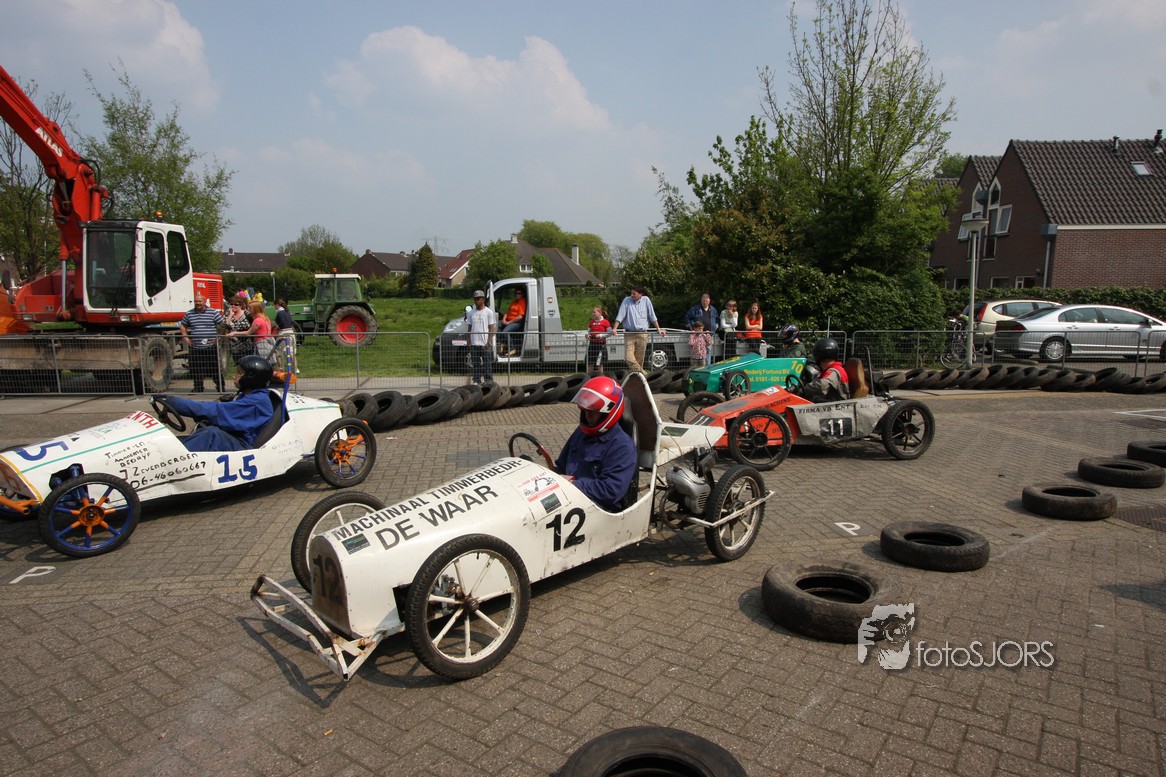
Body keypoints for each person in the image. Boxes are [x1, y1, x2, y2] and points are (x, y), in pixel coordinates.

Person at [153, 356, 276, 452]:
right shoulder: (249, 395)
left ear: (251, 377)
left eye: (240, 373)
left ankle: (170, 466)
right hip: (234, 437)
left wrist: (173, 402)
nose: (235, 376)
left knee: (211, 434)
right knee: (170, 442)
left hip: (243, 444)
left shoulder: (256, 402)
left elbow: (216, 411)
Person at [554, 376, 637, 513]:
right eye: (585, 410)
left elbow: (611, 491)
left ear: (609, 411)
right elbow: (560, 467)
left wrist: (573, 484)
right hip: (570, 498)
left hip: (598, 509)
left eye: (592, 411)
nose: (587, 415)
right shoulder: (581, 432)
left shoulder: (622, 446)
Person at [611, 285, 665, 374]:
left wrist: (658, 329)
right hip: (629, 334)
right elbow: (621, 315)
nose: (631, 295)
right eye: (631, 293)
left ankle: (638, 378)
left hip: (642, 334)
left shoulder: (646, 300)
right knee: (628, 358)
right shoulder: (626, 300)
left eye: (634, 294)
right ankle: (645, 374)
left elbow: (652, 316)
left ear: (640, 294)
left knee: (639, 360)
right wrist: (615, 328)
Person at [179, 293, 226, 392]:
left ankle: (220, 387)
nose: (198, 303)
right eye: (196, 301)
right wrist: (186, 338)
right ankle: (198, 387)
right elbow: (183, 326)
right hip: (196, 346)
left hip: (210, 346)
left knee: (214, 368)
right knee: (196, 368)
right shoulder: (189, 313)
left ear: (204, 302)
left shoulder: (213, 312)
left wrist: (218, 338)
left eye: (200, 301)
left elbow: (223, 324)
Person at [799, 338, 849, 403]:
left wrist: (802, 390)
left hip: (835, 405)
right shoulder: (829, 370)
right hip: (829, 403)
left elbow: (821, 385)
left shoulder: (834, 371)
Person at [466, 289, 496, 384]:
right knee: (476, 364)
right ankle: (476, 380)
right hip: (474, 343)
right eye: (475, 299)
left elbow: (491, 327)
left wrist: (489, 341)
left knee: (487, 364)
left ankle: (488, 381)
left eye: (478, 299)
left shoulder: (488, 312)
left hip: (485, 343)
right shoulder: (471, 313)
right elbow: (469, 328)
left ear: (483, 299)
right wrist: (468, 341)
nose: (476, 301)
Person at [684, 293, 718, 364]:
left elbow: (717, 319)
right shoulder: (695, 309)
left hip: (709, 334)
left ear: (709, 301)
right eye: (703, 301)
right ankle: (697, 368)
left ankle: (707, 367)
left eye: (706, 301)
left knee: (708, 351)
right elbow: (687, 317)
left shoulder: (713, 309)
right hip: (697, 335)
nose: (705, 302)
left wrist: (716, 326)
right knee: (697, 351)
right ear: (701, 301)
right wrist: (691, 327)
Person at [224, 297, 253, 364]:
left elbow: (252, 325)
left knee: (248, 364)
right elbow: (226, 325)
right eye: (231, 304)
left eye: (236, 304)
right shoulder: (228, 314)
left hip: (247, 345)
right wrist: (231, 315)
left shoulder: (247, 314)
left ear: (241, 305)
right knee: (238, 365)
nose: (233, 306)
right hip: (234, 346)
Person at [499, 287, 527, 356]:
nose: (517, 294)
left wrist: (509, 322)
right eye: (516, 293)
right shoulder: (514, 302)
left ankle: (512, 348)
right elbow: (507, 312)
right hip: (508, 320)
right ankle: (502, 344)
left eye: (519, 293)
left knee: (505, 332)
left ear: (522, 294)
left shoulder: (522, 302)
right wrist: (504, 319)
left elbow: (520, 317)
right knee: (497, 326)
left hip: (516, 323)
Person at [272, 298, 298, 373]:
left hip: (283, 333)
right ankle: (296, 369)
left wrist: (276, 327)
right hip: (291, 332)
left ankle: (281, 367)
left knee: (278, 351)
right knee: (291, 351)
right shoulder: (287, 312)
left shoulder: (279, 313)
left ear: (277, 305)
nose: (274, 307)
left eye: (274, 305)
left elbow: (278, 324)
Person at [586, 305, 612, 374]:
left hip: (601, 344)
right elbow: (588, 332)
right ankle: (589, 377)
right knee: (590, 362)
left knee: (600, 363)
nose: (593, 313)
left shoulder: (605, 322)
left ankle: (600, 376)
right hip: (592, 344)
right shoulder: (591, 322)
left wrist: (601, 336)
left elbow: (610, 333)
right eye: (592, 312)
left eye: (594, 312)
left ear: (600, 313)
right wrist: (587, 335)